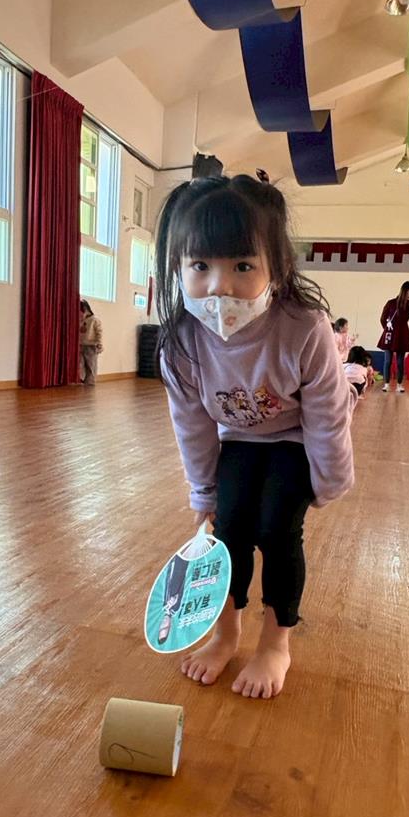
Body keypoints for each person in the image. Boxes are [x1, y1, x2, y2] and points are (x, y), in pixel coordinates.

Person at [155, 175, 356, 700]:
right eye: (201, 266)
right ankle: (225, 634)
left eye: (242, 266)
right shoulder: (181, 341)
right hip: (238, 438)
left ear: (277, 268)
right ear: (177, 267)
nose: (219, 286)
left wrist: (330, 479)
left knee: (277, 528)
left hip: (294, 437)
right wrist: (204, 492)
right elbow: (192, 424)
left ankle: (275, 643)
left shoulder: (303, 327)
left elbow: (327, 413)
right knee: (228, 530)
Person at [377, 280, 409, 392]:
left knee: (400, 362)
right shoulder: (391, 303)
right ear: (404, 291)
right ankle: (386, 384)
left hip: (402, 334)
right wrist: (386, 327)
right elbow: (383, 318)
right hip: (390, 334)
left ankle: (399, 385)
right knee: (388, 361)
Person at [79, 300, 103, 386]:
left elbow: (99, 332)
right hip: (82, 344)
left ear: (86, 309)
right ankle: (81, 379)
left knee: (91, 365)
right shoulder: (82, 320)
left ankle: (90, 382)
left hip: (91, 345)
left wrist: (99, 343)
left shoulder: (94, 320)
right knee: (81, 364)